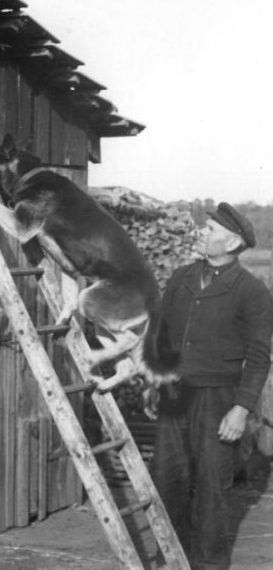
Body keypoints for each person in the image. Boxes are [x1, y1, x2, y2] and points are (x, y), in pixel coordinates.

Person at [152, 202, 273, 570]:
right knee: (168, 480)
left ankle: (208, 564)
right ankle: (170, 559)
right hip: (174, 394)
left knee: (211, 488)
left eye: (211, 230)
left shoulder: (251, 291)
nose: (201, 233)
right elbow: (162, 333)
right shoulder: (181, 278)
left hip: (219, 401)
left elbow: (258, 355)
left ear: (233, 242)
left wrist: (241, 408)